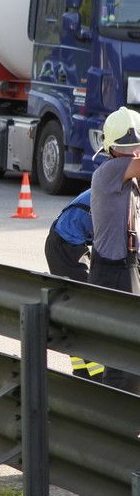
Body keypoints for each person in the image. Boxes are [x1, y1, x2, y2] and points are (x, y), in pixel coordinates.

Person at [88, 107, 140, 391]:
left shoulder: (126, 176)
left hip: (122, 267)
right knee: (124, 355)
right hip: (114, 271)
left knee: (127, 353)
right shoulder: (110, 171)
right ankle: (114, 410)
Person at [44, 189, 103, 379]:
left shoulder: (114, 186)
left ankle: (82, 371)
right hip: (65, 246)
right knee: (85, 306)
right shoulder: (120, 194)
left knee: (77, 307)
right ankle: (96, 374)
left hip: (68, 243)